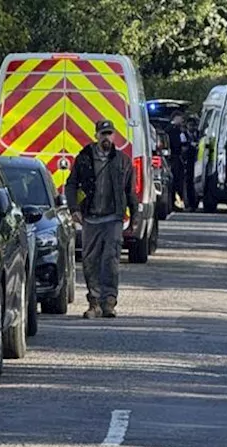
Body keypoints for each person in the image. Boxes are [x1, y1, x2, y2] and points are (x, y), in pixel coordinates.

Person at [69, 119, 137, 319]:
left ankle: (109, 302)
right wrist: (74, 209)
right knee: (90, 261)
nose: (106, 138)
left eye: (109, 134)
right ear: (96, 136)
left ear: (114, 136)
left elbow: (130, 191)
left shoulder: (123, 161)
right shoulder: (84, 158)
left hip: (113, 219)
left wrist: (134, 217)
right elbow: (71, 184)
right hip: (91, 218)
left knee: (111, 260)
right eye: (103, 134)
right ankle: (94, 303)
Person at [167, 111, 194, 211]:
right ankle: (175, 203)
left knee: (178, 182)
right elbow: (176, 144)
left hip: (177, 159)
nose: (182, 120)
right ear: (175, 117)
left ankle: (177, 203)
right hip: (174, 158)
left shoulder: (176, 130)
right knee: (176, 182)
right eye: (180, 118)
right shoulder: (172, 130)